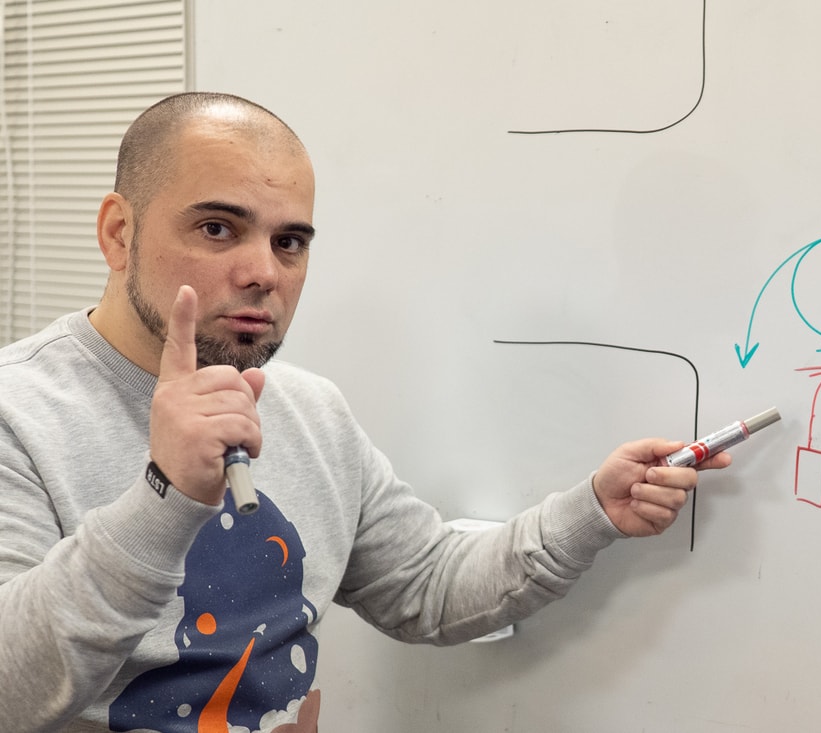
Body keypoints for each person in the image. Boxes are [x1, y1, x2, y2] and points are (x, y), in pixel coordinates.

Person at [0, 92, 731, 732]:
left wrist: (594, 509)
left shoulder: (310, 411)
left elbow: (429, 586)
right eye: (217, 228)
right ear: (119, 234)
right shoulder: (20, 413)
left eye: (289, 242)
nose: (263, 272)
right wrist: (166, 495)